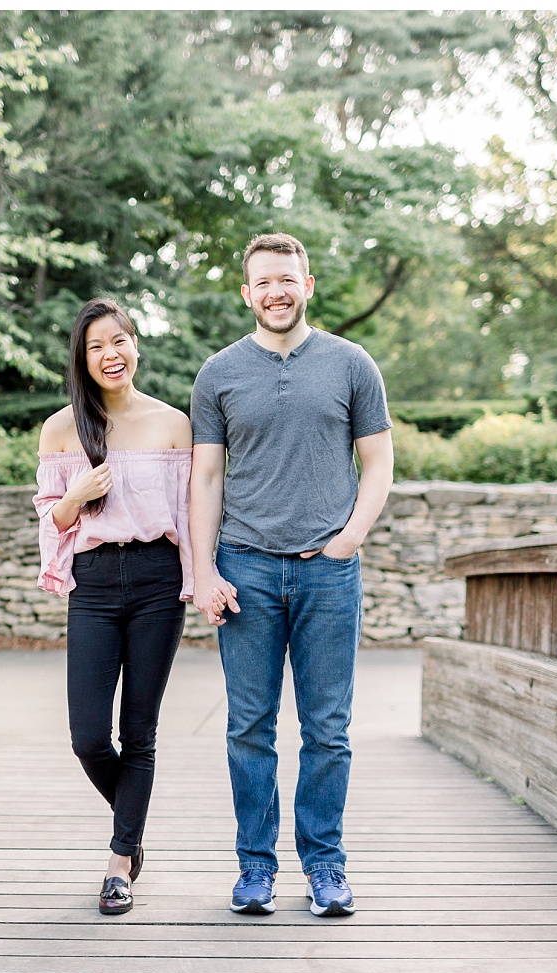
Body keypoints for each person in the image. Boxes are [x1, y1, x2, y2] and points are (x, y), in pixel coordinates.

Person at [189, 233, 394, 918]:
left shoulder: (350, 364)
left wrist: (350, 538)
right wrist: (203, 567)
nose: (277, 291)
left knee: (328, 728)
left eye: (288, 279)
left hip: (326, 576)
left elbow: (379, 462)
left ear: (309, 284)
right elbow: (207, 477)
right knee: (249, 726)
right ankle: (254, 868)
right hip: (244, 570)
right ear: (247, 294)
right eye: (264, 282)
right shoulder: (218, 374)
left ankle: (326, 867)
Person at [34, 297, 195, 915]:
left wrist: (196, 579)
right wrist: (73, 495)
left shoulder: (172, 424)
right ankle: (133, 819)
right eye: (97, 345)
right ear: (83, 356)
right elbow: (54, 522)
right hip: (95, 584)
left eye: (120, 341)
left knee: (140, 732)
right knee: (88, 738)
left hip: (156, 579)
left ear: (137, 346)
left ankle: (120, 859)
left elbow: (189, 513)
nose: (111, 354)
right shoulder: (60, 429)